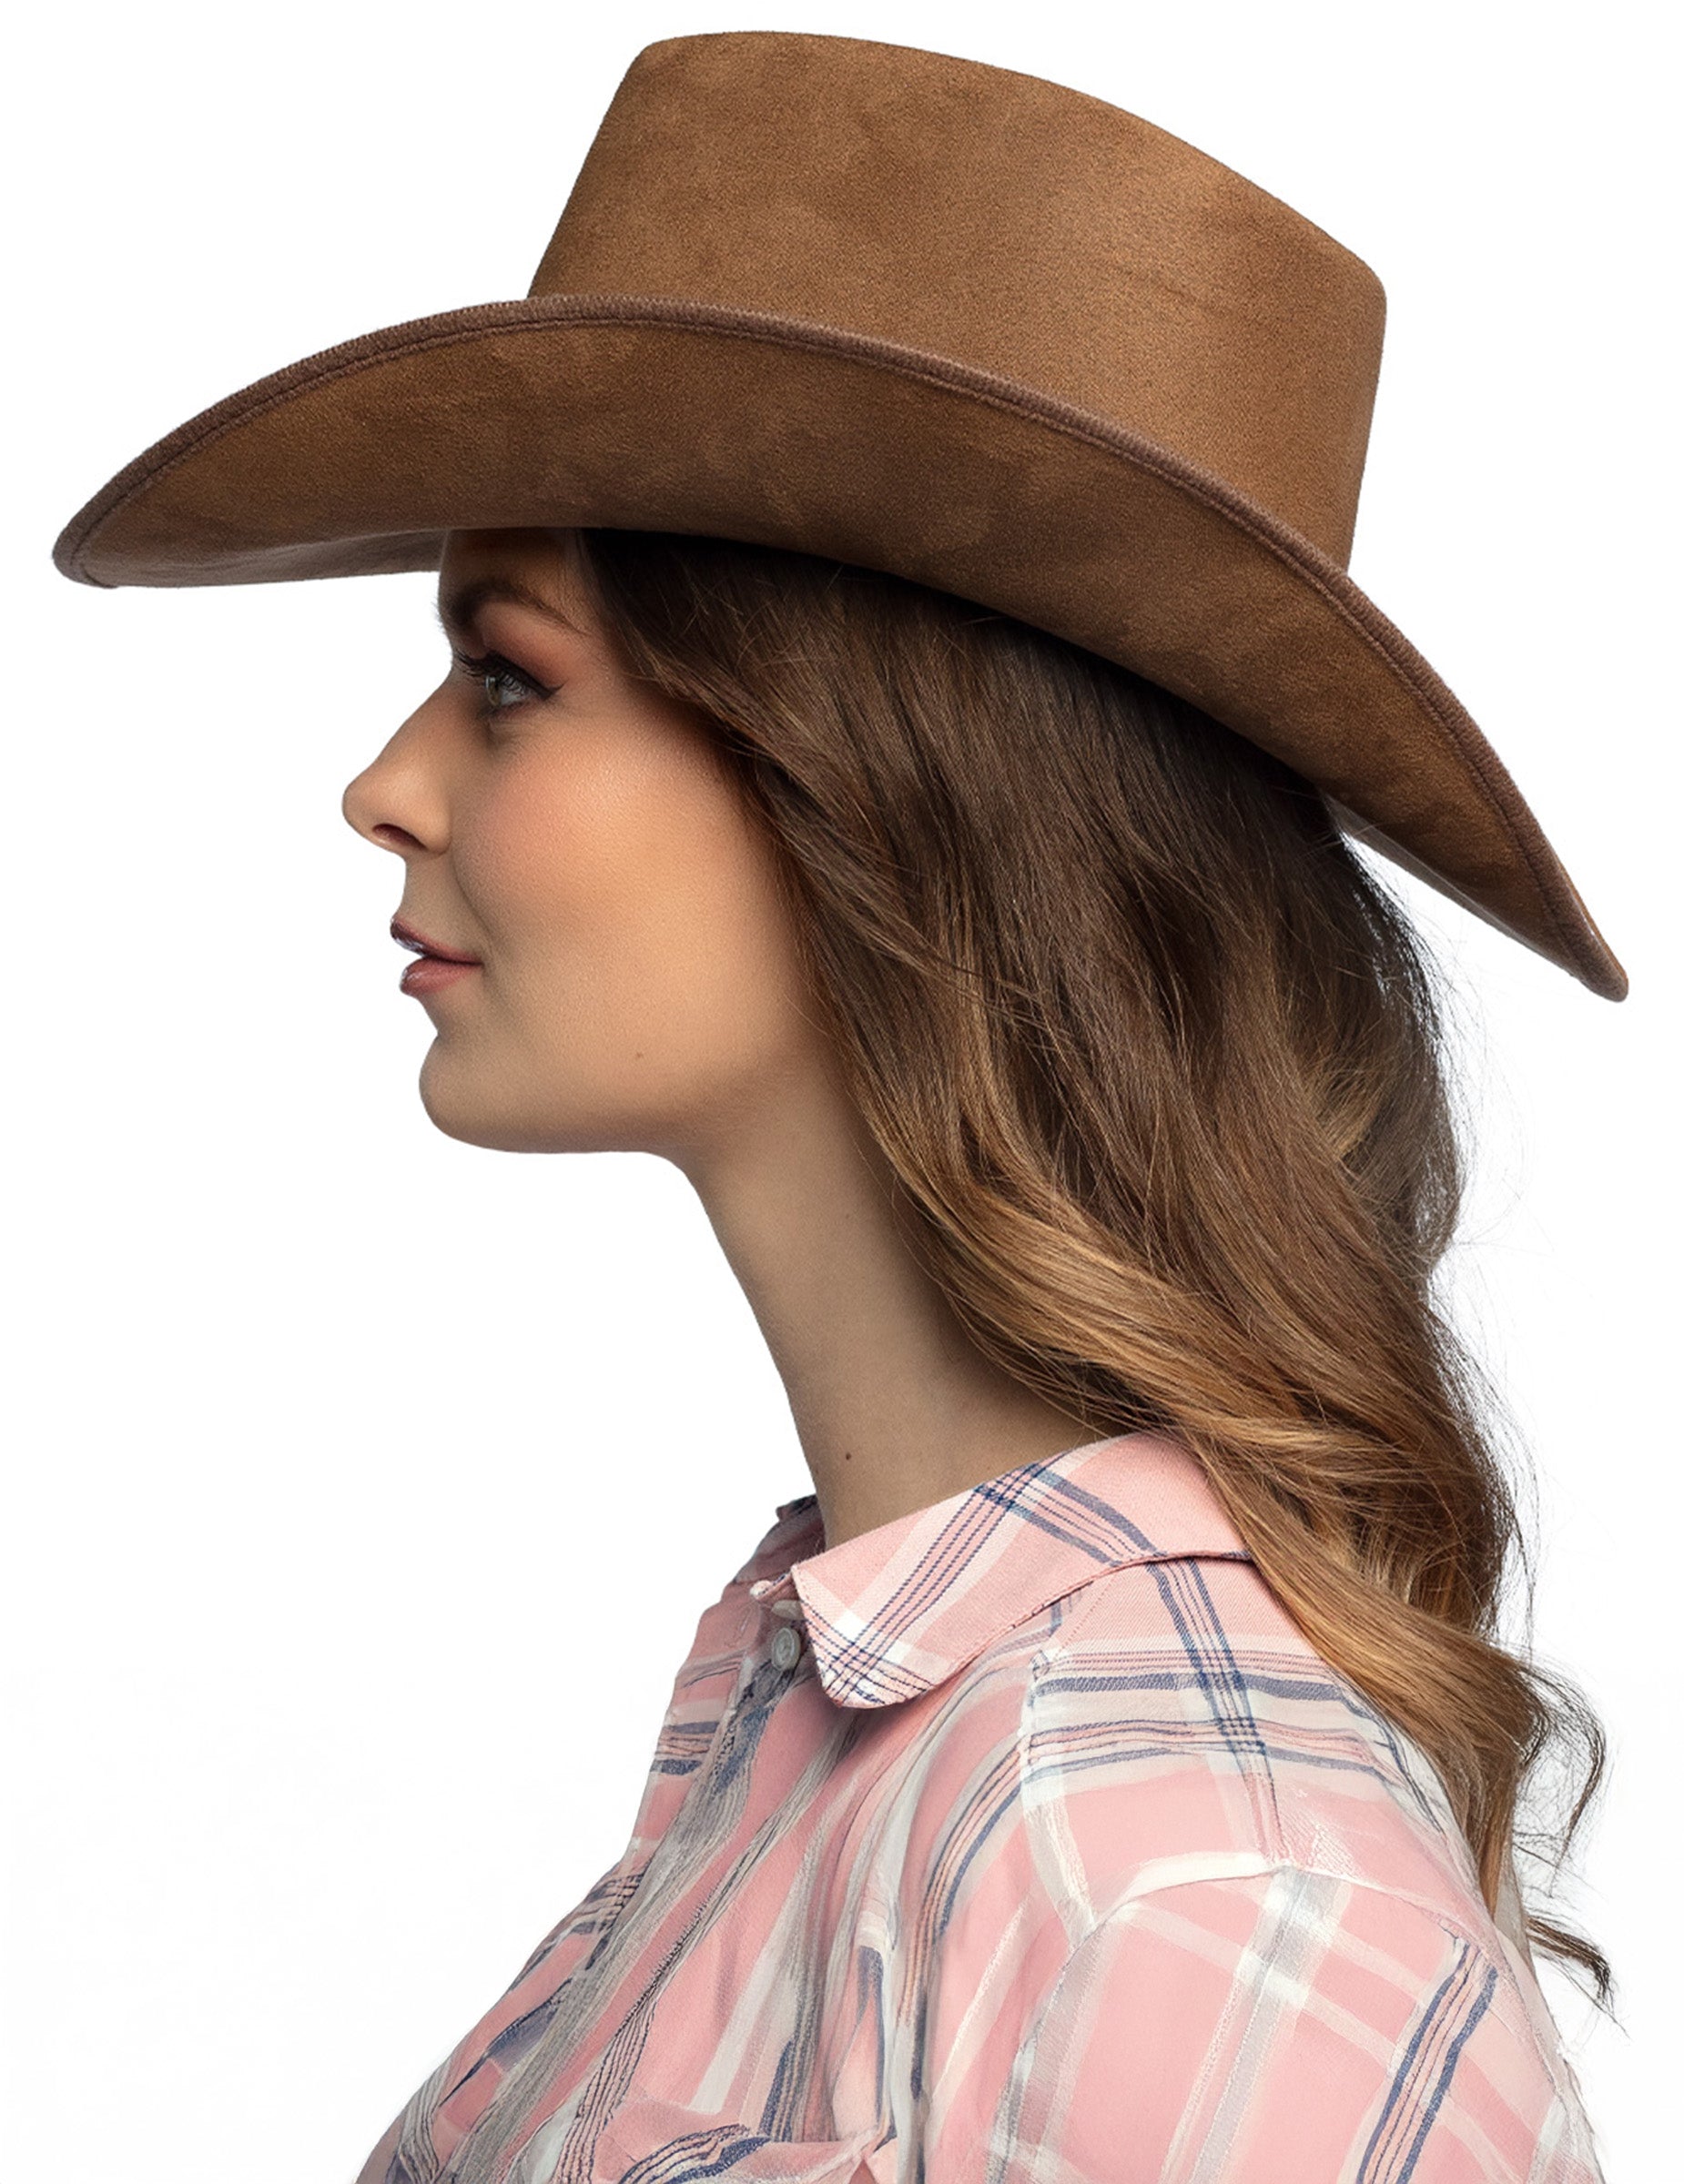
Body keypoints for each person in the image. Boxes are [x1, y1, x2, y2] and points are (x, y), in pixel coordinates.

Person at [51, 30, 1618, 2181]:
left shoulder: (1190, 1903)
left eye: (506, 675)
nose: (384, 786)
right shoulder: (859, 1737)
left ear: (876, 789)